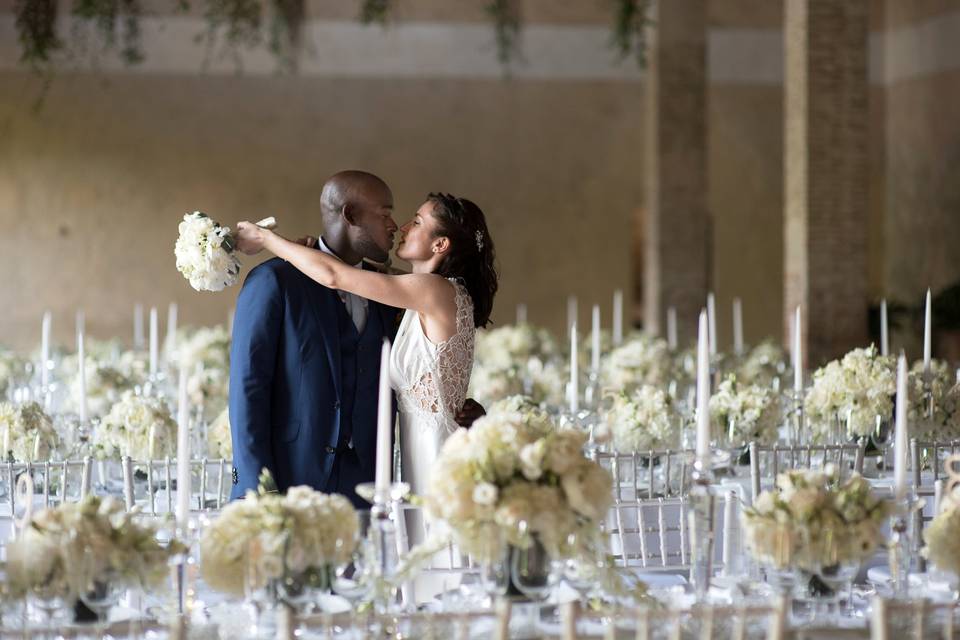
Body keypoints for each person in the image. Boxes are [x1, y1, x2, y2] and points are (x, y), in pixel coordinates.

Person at [228, 170, 486, 506]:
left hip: (380, 482)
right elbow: (248, 388)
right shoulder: (275, 281)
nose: (399, 227)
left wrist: (266, 238)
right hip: (294, 481)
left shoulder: (421, 292)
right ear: (350, 215)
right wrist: (256, 486)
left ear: (440, 244)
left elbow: (334, 275)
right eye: (387, 214)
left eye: (415, 222)